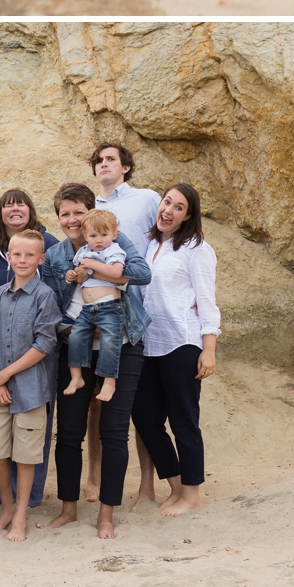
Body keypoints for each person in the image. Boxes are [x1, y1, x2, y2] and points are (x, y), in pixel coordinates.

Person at [44, 181, 153, 538]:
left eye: (79, 212)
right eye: (65, 214)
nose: (72, 220)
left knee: (114, 433)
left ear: (91, 213)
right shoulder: (57, 255)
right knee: (70, 432)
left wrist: (96, 267)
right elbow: (51, 308)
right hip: (75, 344)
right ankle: (69, 509)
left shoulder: (117, 243)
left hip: (123, 341)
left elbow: (142, 273)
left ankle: (106, 514)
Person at [131, 181, 220, 518]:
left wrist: (208, 349)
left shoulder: (197, 249)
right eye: (166, 202)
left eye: (178, 207)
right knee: (144, 418)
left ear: (188, 216)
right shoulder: (151, 244)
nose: (168, 210)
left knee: (184, 420)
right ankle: (178, 485)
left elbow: (207, 302)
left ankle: (192, 495)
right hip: (149, 344)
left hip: (182, 343)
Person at [0, 230, 60, 541]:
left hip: (31, 391)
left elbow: (45, 344)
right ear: (9, 257)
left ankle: (20, 515)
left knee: (26, 457)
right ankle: (7, 504)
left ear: (41, 259)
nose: (23, 260)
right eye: (17, 254)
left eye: (30, 255)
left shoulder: (45, 296)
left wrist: (7, 374)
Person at [60, 209, 131, 402]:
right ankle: (76, 377)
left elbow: (117, 272)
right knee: (75, 336)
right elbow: (78, 270)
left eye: (104, 234)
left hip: (110, 307)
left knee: (110, 342)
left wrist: (92, 265)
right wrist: (72, 275)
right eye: (93, 235)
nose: (98, 240)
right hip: (88, 308)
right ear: (85, 236)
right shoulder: (84, 251)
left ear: (114, 234)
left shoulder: (113, 250)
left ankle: (109, 381)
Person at [91, 144, 163, 264]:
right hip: (97, 280)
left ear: (125, 168)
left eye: (111, 159)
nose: (103, 164)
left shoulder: (148, 199)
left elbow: (169, 238)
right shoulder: (90, 207)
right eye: (98, 161)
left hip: (139, 280)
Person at [0, 190, 44, 308]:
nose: (15, 208)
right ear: (0, 213)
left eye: (21, 204)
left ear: (30, 212)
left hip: (29, 323)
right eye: (9, 205)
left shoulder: (48, 244)